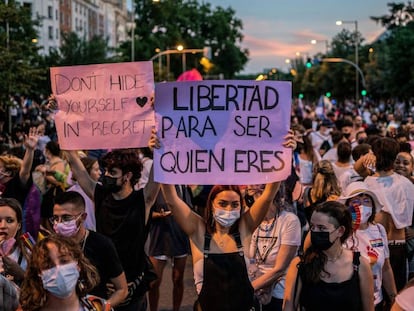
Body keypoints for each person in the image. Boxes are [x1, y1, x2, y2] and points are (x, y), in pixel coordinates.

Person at [151, 130, 297, 311]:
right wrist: (160, 154)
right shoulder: (198, 230)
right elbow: (172, 200)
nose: (229, 209)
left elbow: (267, 196)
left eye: (235, 204)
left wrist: (283, 152)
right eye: (223, 203)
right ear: (211, 206)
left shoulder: (245, 227)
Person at [64, 148, 160, 311]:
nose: (106, 175)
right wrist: (67, 146)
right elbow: (79, 171)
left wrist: (160, 148)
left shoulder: (142, 200)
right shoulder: (100, 195)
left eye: (112, 172)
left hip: (133, 291)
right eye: (106, 170)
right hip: (103, 288)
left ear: (127, 176)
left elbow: (158, 174)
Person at [283, 200, 374, 311]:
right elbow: (288, 308)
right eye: (312, 227)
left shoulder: (360, 265)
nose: (315, 232)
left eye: (321, 228)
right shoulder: (301, 264)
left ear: (340, 231)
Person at [52, 191, 128, 308]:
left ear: (82, 217)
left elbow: (122, 290)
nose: (59, 223)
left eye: (66, 218)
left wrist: (102, 307)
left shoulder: (102, 245)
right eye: (56, 218)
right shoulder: (50, 247)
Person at [365, 137, 414, 291]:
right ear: (394, 157)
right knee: (396, 294)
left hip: (373, 245)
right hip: (398, 245)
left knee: (373, 294)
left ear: (375, 155)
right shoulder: (407, 184)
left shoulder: (366, 183)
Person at [340, 182, 397, 310]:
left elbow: (386, 268)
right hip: (348, 302)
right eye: (356, 201)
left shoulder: (379, 229)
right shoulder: (340, 231)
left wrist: (393, 298)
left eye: (366, 201)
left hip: (376, 301)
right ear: (347, 206)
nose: (361, 205)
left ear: (372, 206)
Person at [19, 235, 111, 311]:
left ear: (77, 264)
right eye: (48, 265)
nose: (58, 269)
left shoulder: (100, 307)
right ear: (39, 273)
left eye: (64, 261)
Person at [247, 182, 301, 311]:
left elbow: (280, 269)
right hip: (255, 290)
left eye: (261, 195)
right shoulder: (250, 218)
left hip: (279, 293)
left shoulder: (289, 220)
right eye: (255, 197)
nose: (257, 202)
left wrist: (248, 288)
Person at [147, 186, 192, 311]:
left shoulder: (182, 186)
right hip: (159, 237)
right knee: (154, 282)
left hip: (179, 236)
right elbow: (145, 213)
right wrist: (159, 215)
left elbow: (189, 210)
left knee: (178, 279)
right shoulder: (155, 187)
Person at [0, 198, 30, 287]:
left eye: (9, 221)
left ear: (19, 225)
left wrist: (21, 274)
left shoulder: (28, 255)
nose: (3, 226)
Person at [67, 157, 101, 231]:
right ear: (86, 172)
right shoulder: (72, 193)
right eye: (96, 170)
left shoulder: (101, 189)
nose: (100, 172)